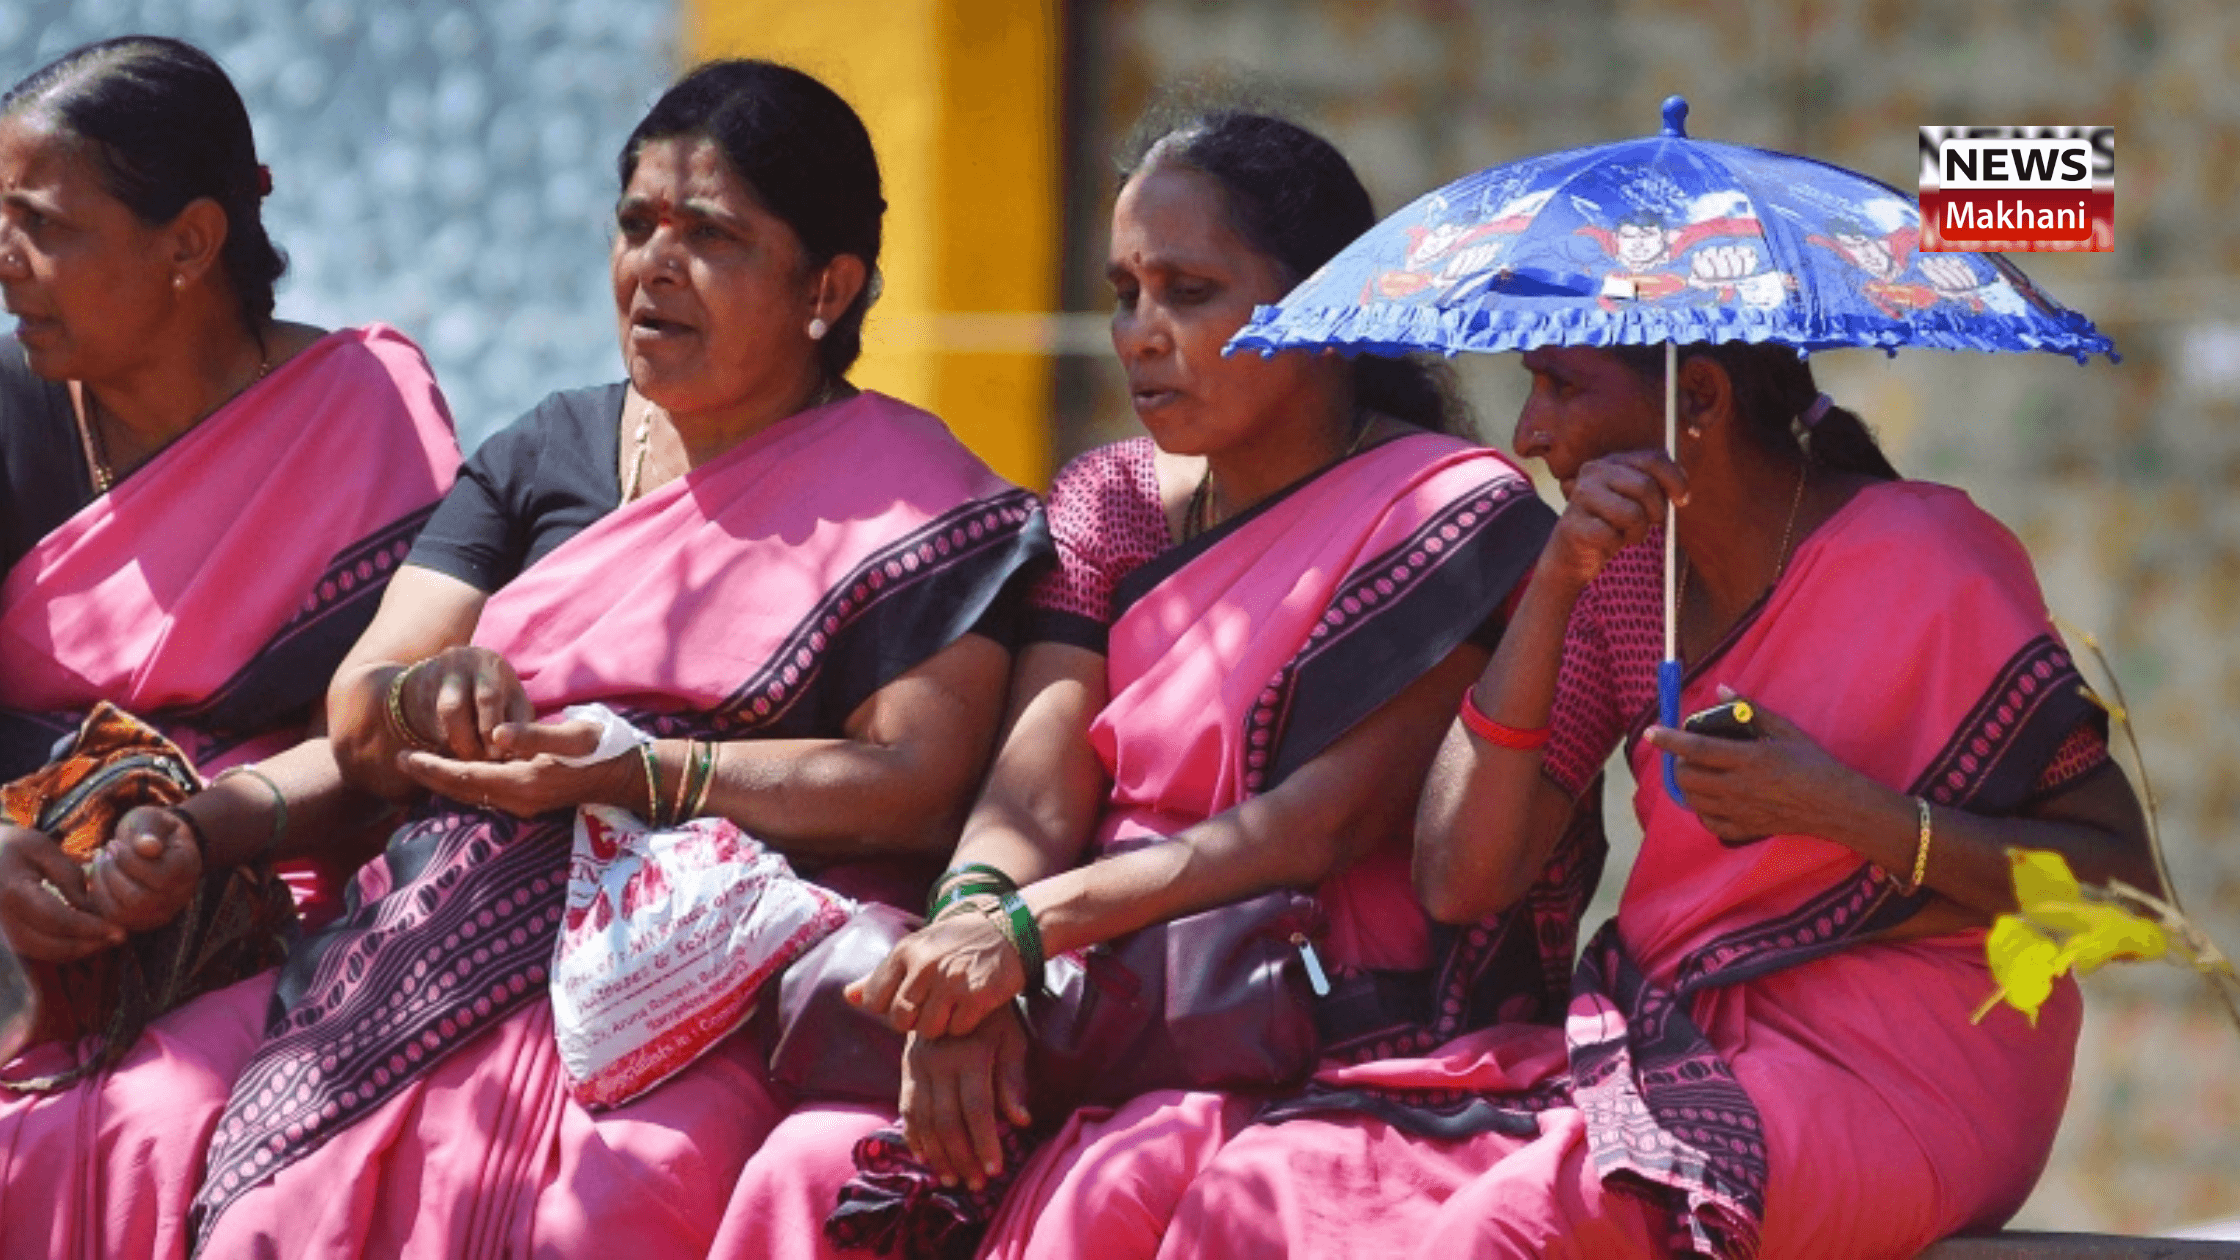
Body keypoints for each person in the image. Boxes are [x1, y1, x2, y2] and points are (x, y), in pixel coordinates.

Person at [184, 58, 1047, 1259]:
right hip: (446, 948)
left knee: (620, 1203)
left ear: (827, 286)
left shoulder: (918, 503)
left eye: (710, 235)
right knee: (290, 1199)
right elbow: (364, 708)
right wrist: (436, 692)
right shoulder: (548, 450)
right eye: (636, 223)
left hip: (714, 985)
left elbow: (913, 778)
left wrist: (638, 777)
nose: (654, 263)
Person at [708, 111, 1583, 1260]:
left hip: (1305, 1023)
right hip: (1083, 998)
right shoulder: (1113, 498)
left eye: (1188, 291)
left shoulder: (1448, 517)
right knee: (808, 1170)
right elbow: (1036, 785)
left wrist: (1025, 933)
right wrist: (970, 952)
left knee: (1112, 1194)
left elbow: (1319, 827)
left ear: (1319, 306)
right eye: (1124, 292)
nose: (1139, 333)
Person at [1140, 342, 2156, 1259]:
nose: (1528, 432)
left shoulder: (1928, 555)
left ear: (1696, 398)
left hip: (1911, 1069)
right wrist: (1549, 586)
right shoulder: (1627, 590)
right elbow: (1459, 875)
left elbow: (2122, 903)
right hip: (1679, 1045)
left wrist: (1843, 811)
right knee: (1268, 1184)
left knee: (1506, 1228)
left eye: (1562, 386)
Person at [0, 36, 458, 1260]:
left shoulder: (366, 409)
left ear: (191, 244)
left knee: (171, 1117)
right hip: (21, 892)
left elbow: (387, 733)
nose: (7, 267)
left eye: (42, 226)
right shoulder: (9, 413)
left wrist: (201, 833)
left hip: (276, 891)